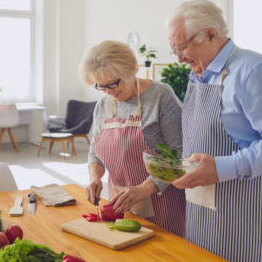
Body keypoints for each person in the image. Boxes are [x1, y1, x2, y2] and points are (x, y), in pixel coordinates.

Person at [165, 0, 262, 262]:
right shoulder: (198, 75)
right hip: (200, 207)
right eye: (173, 49)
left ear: (211, 35)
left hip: (243, 212)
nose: (178, 58)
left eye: (182, 47)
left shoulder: (252, 71)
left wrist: (221, 167)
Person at [78, 40, 186, 237]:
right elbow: (95, 151)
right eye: (101, 86)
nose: (108, 92)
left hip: (161, 203)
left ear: (130, 70)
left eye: (112, 83)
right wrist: (95, 178)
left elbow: (179, 154)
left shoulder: (160, 95)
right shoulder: (103, 105)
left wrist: (144, 189)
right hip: (119, 204)